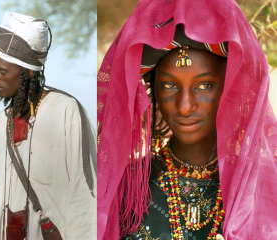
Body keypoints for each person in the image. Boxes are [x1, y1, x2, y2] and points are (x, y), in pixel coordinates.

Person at [97, 0, 277, 239]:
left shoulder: (261, 189)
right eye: (169, 85)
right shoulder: (125, 189)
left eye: (204, 86)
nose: (184, 106)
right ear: (153, 91)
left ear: (229, 89)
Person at [0, 12, 97, 239]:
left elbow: (84, 192)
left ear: (27, 73)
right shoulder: (0, 123)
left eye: (2, 71)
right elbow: (3, 190)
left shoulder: (65, 110)